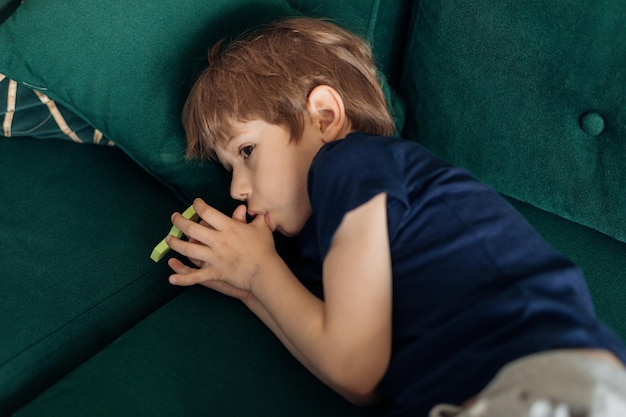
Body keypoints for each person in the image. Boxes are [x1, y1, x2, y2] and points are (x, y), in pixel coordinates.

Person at [165, 17, 626, 416]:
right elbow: (357, 383)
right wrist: (252, 288)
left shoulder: (350, 165)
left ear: (324, 117)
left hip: (539, 373)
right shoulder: (317, 246)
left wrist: (257, 270)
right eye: (227, 168)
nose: (236, 188)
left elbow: (354, 366)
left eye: (247, 151)